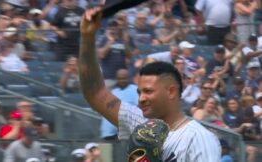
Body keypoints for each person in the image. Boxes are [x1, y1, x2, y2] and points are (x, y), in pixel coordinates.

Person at [79, 7, 221, 161]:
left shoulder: (199, 139)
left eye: (148, 91)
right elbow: (95, 93)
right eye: (139, 93)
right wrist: (87, 37)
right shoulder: (141, 124)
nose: (141, 98)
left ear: (171, 92)